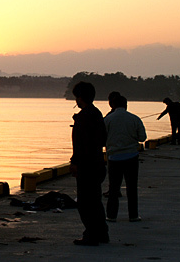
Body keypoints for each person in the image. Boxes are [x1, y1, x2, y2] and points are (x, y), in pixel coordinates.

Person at [69, 81, 109, 246]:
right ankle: (101, 233)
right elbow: (102, 139)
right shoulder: (97, 114)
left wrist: (74, 162)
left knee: (85, 203)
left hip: (87, 165)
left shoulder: (84, 117)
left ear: (80, 97)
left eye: (76, 98)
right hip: (98, 163)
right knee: (95, 201)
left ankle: (91, 235)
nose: (76, 102)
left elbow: (80, 145)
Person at [103, 95, 146, 222]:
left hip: (113, 158)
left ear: (112, 105)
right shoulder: (135, 119)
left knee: (113, 188)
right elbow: (142, 137)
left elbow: (102, 138)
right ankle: (133, 215)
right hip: (131, 157)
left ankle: (111, 215)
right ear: (126, 105)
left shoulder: (108, 119)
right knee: (132, 187)